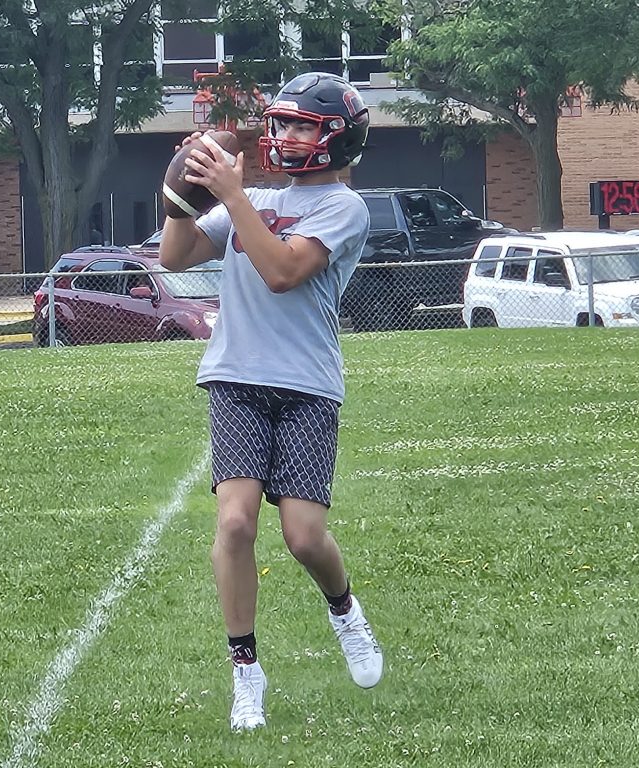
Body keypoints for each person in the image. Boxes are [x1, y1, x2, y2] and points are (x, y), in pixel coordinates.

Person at [158, 72, 383, 731]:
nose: (283, 135)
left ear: (336, 140)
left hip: (307, 386)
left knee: (304, 536)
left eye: (299, 126)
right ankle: (246, 673)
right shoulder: (248, 198)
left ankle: (345, 611)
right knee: (234, 524)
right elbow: (175, 255)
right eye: (280, 123)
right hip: (236, 376)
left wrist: (231, 193)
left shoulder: (346, 209)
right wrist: (180, 191)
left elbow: (283, 272)